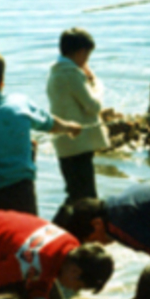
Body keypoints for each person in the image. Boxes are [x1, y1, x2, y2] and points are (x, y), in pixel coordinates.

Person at [0, 48, 81, 223]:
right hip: (22, 192)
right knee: (25, 240)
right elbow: (50, 124)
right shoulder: (20, 104)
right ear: (2, 81)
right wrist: (70, 127)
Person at [47, 28, 109, 204]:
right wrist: (95, 82)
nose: (87, 60)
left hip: (65, 143)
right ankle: (76, 228)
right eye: (87, 55)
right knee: (87, 196)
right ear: (81, 52)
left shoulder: (55, 71)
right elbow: (93, 106)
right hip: (78, 144)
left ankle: (69, 226)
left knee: (74, 193)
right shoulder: (72, 74)